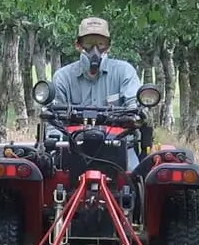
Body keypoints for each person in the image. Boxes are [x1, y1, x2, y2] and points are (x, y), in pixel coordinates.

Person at [48, 17, 143, 168]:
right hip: (73, 149)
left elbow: (135, 110)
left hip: (117, 146)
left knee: (136, 178)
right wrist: (56, 145)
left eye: (100, 44)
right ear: (78, 45)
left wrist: (131, 120)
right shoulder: (63, 77)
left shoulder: (125, 72)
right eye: (89, 44)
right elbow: (52, 121)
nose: (95, 51)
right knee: (49, 177)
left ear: (108, 47)